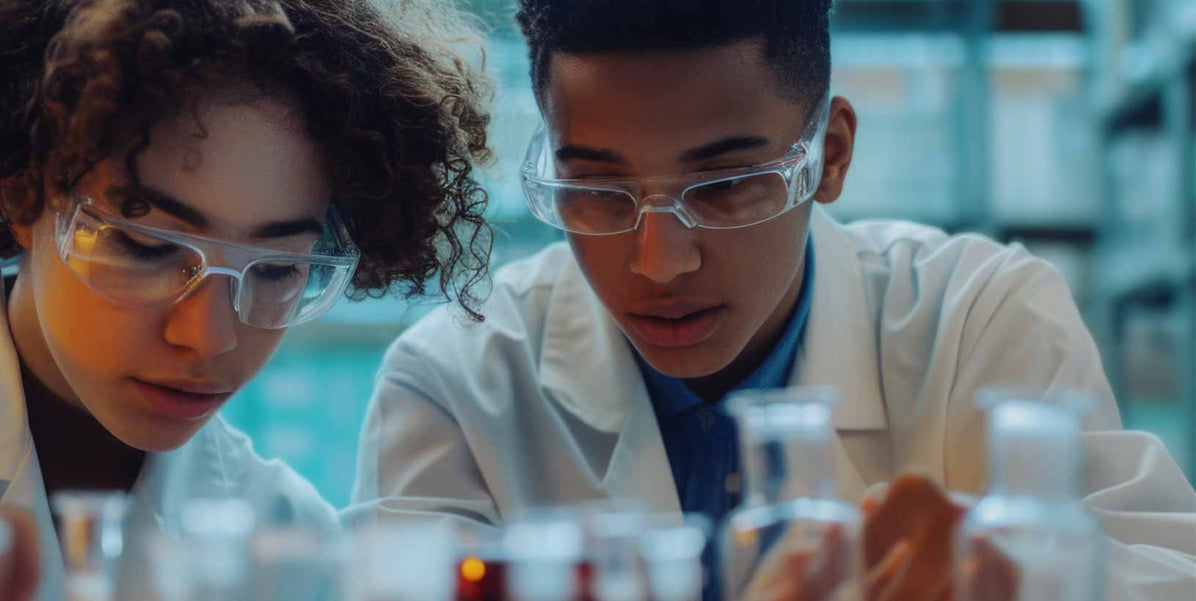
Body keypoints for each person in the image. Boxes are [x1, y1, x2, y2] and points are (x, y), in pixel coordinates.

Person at [348, 1, 1196, 599]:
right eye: (599, 191)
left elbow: (1166, 573)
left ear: (829, 155)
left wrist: (1015, 574)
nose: (661, 260)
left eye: (726, 186)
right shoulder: (458, 380)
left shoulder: (981, 318)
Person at [0, 0, 492, 599]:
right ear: (22, 192)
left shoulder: (287, 540)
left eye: (277, 270)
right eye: (145, 247)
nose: (207, 335)